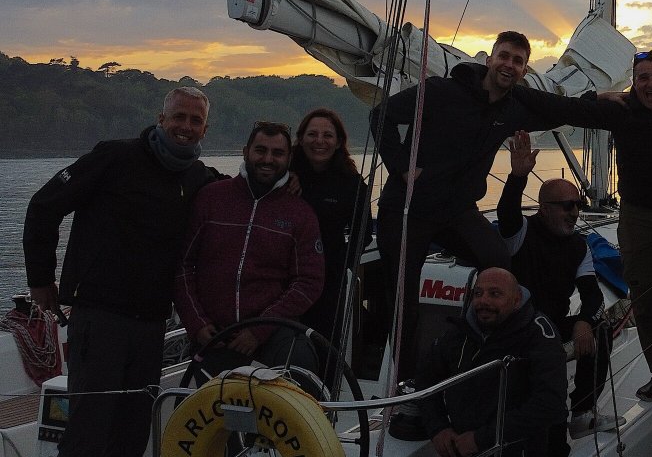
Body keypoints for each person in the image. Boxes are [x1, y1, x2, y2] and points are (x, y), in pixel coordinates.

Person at [22, 86, 213, 457]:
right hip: (99, 322)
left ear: (204, 130)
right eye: (179, 117)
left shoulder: (201, 180)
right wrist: (41, 282)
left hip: (150, 329)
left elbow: (242, 199)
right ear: (160, 118)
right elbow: (43, 208)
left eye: (195, 121)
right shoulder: (114, 158)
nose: (185, 127)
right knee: (81, 450)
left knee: (127, 453)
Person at [512, 50, 652, 401]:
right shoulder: (619, 112)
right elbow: (562, 109)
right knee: (644, 299)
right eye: (643, 77)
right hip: (637, 215)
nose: (651, 84)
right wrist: (584, 95)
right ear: (634, 83)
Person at [371, 31, 573, 381]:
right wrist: (402, 165)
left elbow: (564, 110)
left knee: (498, 260)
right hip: (408, 208)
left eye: (518, 61)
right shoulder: (442, 91)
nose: (509, 64)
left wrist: (603, 100)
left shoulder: (512, 111)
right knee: (403, 301)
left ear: (524, 71)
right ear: (489, 59)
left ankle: (480, 347)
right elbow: (382, 114)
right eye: (504, 56)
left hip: (456, 210)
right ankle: (406, 386)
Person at [350, 268, 566, 457]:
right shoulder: (462, 332)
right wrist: (438, 428)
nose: (483, 301)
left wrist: (480, 439)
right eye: (478, 293)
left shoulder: (537, 335)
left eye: (494, 294)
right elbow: (426, 380)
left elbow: (550, 405)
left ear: (516, 300)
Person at [175, 121, 324, 374]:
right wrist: (196, 323)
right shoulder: (211, 198)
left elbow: (309, 281)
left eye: (277, 153)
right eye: (260, 150)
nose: (267, 159)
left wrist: (259, 330)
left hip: (273, 332)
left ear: (289, 158)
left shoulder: (300, 213)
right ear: (246, 152)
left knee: (302, 365)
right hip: (214, 332)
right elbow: (182, 264)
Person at [499, 130, 618, 440]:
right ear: (544, 208)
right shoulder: (521, 234)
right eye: (567, 206)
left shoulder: (579, 246)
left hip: (550, 324)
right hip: (517, 328)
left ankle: (581, 412)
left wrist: (583, 322)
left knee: (599, 329)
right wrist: (517, 177)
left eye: (577, 205)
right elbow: (507, 214)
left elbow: (591, 294)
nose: (575, 212)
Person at [290, 108, 372, 351]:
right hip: (282, 274)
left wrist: (340, 265)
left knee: (323, 345)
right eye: (312, 134)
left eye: (327, 135)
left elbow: (363, 234)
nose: (319, 141)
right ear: (301, 138)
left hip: (328, 279)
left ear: (338, 143)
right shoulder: (284, 175)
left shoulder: (351, 183)